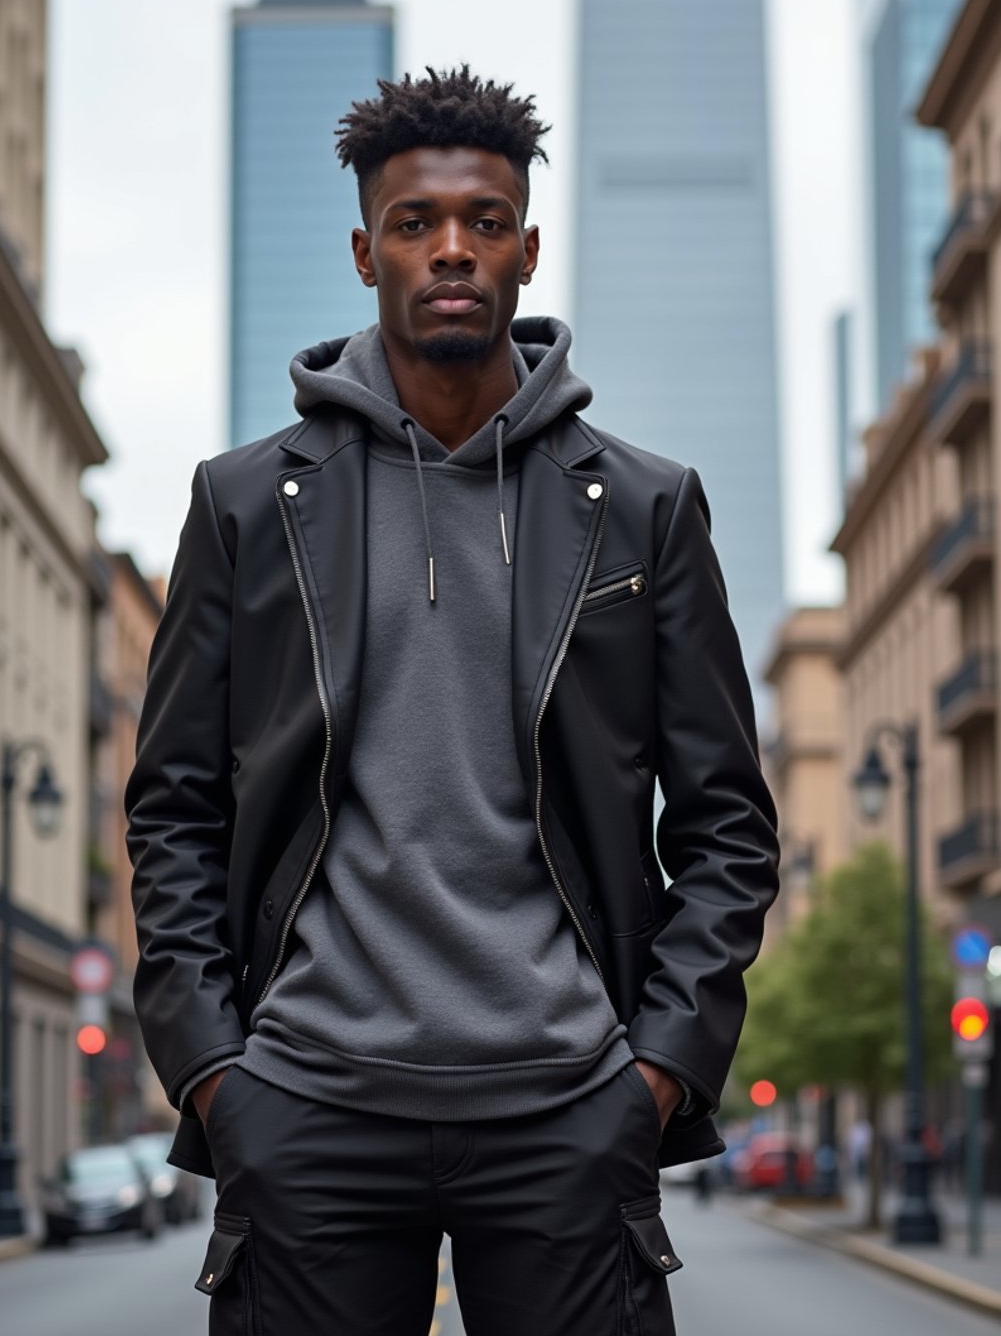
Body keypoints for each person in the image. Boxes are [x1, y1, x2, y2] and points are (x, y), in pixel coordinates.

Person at [125, 66, 780, 1336]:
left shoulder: (644, 506)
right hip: (306, 1102)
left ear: (528, 251)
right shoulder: (247, 505)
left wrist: (654, 1072)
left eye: (485, 222)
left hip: (566, 1107)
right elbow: (173, 808)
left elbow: (726, 823)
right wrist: (213, 1071)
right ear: (366, 247)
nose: (452, 251)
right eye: (417, 224)